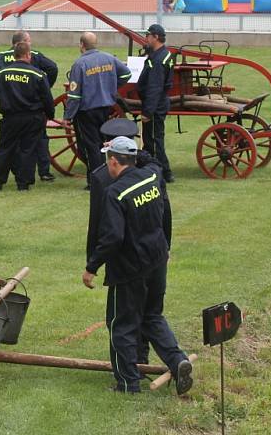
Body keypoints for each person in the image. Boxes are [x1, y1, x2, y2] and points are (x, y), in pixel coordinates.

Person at [82, 136, 192, 396]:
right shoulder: (152, 176)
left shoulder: (115, 193)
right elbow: (154, 168)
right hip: (157, 259)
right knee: (152, 316)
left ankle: (127, 383)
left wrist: (92, 267)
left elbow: (112, 238)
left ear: (112, 161)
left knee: (121, 323)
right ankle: (178, 362)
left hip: (130, 268)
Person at [0, 30, 58, 181]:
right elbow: (52, 68)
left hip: (10, 110)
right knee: (36, 142)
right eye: (28, 40)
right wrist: (45, 89)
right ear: (22, 45)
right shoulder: (34, 57)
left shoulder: (0, 58)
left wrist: (0, 91)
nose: (30, 43)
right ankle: (40, 173)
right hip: (32, 110)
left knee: (5, 147)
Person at [64, 32, 132, 189]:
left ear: (82, 44)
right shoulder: (109, 58)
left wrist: (68, 117)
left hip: (86, 112)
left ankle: (95, 181)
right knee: (102, 144)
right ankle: (106, 176)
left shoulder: (79, 64)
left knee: (89, 147)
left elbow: (74, 95)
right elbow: (127, 73)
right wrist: (112, 86)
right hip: (106, 109)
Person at [138, 24, 175, 183]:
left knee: (153, 140)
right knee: (152, 139)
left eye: (148, 36)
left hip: (155, 106)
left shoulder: (159, 60)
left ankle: (164, 172)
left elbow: (154, 88)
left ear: (156, 37)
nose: (146, 38)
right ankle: (151, 170)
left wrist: (147, 112)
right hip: (158, 103)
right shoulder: (162, 55)